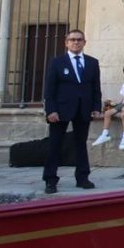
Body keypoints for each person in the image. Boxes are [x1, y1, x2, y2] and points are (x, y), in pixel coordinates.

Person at [42, 29, 103, 194]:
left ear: (84, 42)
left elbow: (96, 88)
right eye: (73, 39)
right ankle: (50, 179)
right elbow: (50, 89)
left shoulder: (92, 62)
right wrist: (51, 110)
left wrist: (97, 107)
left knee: (80, 144)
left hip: (83, 109)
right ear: (66, 42)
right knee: (55, 145)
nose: (76, 42)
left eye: (79, 39)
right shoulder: (57, 62)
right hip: (60, 110)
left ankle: (82, 177)